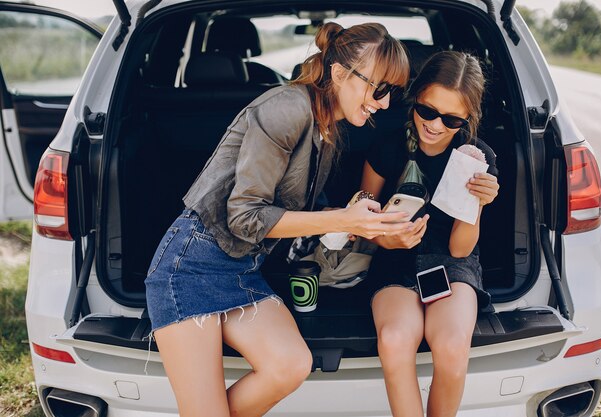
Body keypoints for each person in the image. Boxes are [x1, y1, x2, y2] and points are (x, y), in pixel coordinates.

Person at [144, 22, 411, 417]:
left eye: (393, 92)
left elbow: (294, 207)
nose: (385, 103)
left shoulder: (325, 124)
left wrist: (351, 216)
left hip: (243, 267)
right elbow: (244, 217)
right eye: (380, 88)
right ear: (339, 73)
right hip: (191, 265)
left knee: (291, 364)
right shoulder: (286, 108)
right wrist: (342, 220)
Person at [360, 51, 500, 417]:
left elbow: (459, 248)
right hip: (394, 259)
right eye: (427, 111)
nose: (436, 125)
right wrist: (384, 238)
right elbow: (361, 220)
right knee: (394, 340)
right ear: (416, 97)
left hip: (453, 265)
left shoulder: (476, 157)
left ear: (468, 117)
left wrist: (478, 205)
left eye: (452, 118)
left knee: (453, 346)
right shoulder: (388, 144)